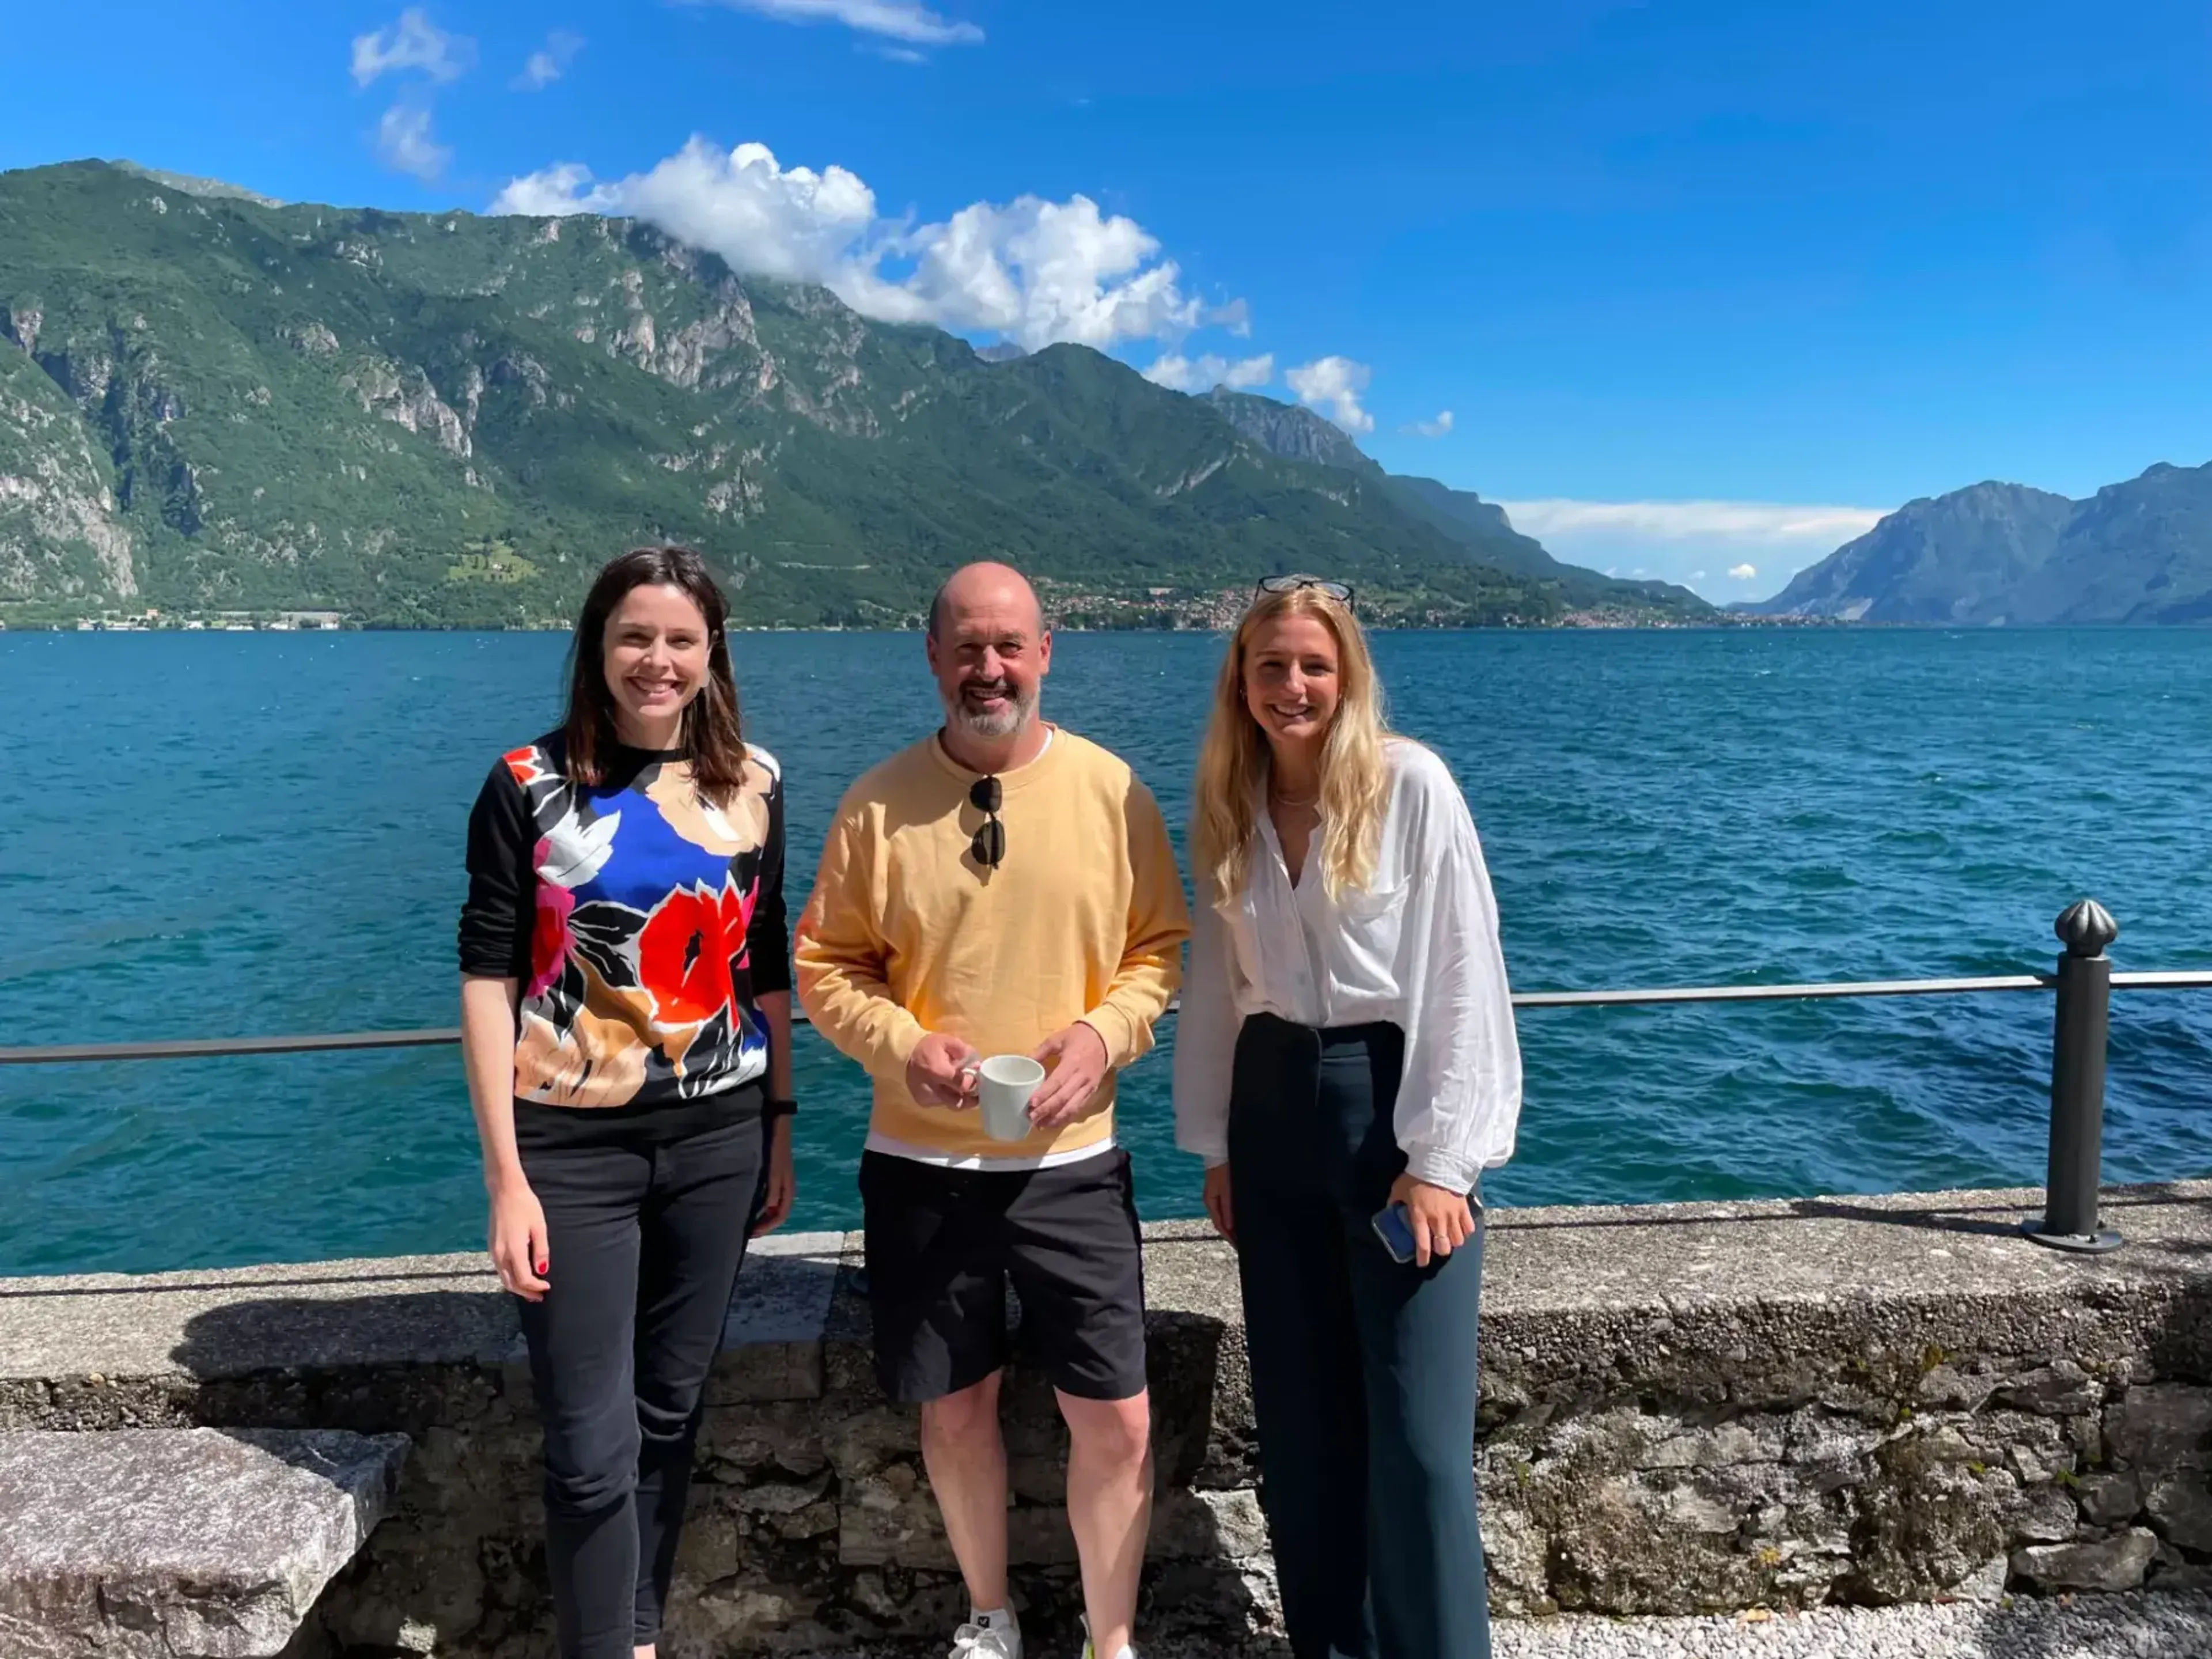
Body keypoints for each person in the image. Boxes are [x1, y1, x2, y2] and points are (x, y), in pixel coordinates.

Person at [794, 561, 1190, 1659]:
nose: (989, 668)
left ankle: (1111, 1643)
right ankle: (990, 1615)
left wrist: (1103, 1037)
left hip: (1074, 1161)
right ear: (932, 657)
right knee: (955, 1408)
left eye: (1010, 644)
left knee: (1116, 1414)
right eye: (968, 646)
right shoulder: (876, 803)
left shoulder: (1115, 792)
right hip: (921, 1163)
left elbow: (1159, 953)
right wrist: (902, 1045)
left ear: (1047, 651)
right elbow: (825, 965)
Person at [457, 545, 797, 1659]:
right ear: (598, 651)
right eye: (635, 638)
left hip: (719, 1135)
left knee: (668, 1412)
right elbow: (488, 977)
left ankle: (638, 1637)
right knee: (587, 1440)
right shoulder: (526, 786)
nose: (657, 660)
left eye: (680, 640)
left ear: (711, 654)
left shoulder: (754, 785)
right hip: (570, 1151)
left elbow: (765, 969)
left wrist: (781, 1127)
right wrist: (507, 1179)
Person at [1172, 575, 1521, 1659]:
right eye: (1270, 665)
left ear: (1348, 675)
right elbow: (1218, 987)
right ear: (1241, 679)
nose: (1291, 685)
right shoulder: (1230, 804)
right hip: (1271, 1114)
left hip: (1389, 1112)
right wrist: (1218, 1143)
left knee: (1417, 1442)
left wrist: (1445, 1161)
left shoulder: (1411, 785)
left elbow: (1463, 974)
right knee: (1303, 1429)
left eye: (1313, 665)